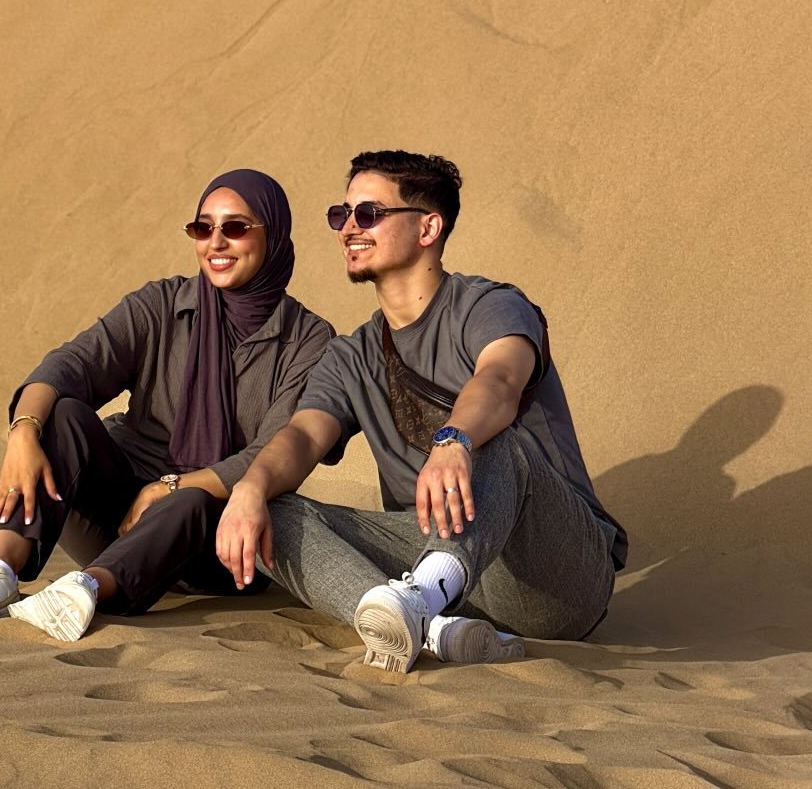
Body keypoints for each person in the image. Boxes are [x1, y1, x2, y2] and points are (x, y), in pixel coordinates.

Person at [216, 150, 627, 672]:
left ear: (428, 227)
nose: (349, 229)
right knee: (271, 513)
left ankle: (421, 601)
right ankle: (428, 629)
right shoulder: (351, 355)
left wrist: (455, 441)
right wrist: (250, 489)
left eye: (368, 214)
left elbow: (499, 381)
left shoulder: (489, 306)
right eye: (342, 215)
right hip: (444, 574)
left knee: (496, 439)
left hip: (553, 576)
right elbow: (302, 435)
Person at [0, 169, 333, 641]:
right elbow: (70, 366)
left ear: (274, 234)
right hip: (120, 520)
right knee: (61, 413)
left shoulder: (308, 340)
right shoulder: (160, 304)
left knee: (191, 502)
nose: (216, 242)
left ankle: (84, 592)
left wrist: (169, 487)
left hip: (221, 545)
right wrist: (23, 431)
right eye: (202, 228)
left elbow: (274, 453)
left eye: (236, 227)